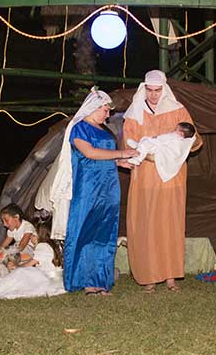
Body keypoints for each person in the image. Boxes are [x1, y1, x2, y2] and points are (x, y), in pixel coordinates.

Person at [49, 88, 138, 296]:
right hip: (88, 187)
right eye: (105, 110)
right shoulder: (79, 129)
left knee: (105, 234)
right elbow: (89, 153)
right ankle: (86, 281)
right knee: (85, 233)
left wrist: (119, 161)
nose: (108, 114)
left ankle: (100, 281)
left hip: (108, 186)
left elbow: (102, 157)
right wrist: (122, 152)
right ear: (93, 108)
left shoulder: (103, 130)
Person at [123, 70, 201, 293]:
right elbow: (129, 143)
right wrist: (150, 155)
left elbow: (194, 139)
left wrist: (177, 150)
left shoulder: (178, 110)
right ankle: (148, 275)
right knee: (146, 225)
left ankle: (170, 276)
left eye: (158, 90)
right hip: (145, 177)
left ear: (164, 89)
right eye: (150, 90)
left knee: (170, 224)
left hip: (172, 178)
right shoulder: (134, 113)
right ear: (143, 88)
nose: (154, 95)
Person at [125, 122, 196, 183]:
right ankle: (139, 146)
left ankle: (138, 158)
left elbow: (163, 138)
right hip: (164, 150)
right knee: (147, 145)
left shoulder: (175, 136)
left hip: (162, 150)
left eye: (176, 129)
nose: (174, 130)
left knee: (147, 143)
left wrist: (154, 138)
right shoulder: (184, 140)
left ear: (181, 133)